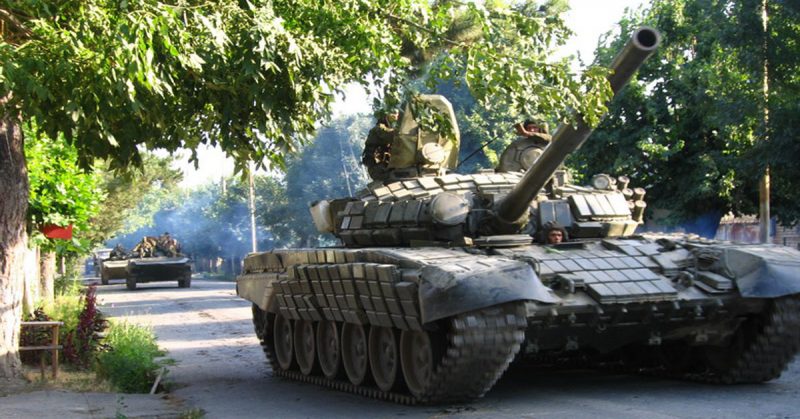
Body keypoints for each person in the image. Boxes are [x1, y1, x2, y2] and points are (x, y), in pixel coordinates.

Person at [362, 109, 400, 181]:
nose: (396, 116)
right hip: (377, 169)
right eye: (394, 113)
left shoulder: (385, 129)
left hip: (382, 167)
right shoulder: (378, 129)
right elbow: (391, 135)